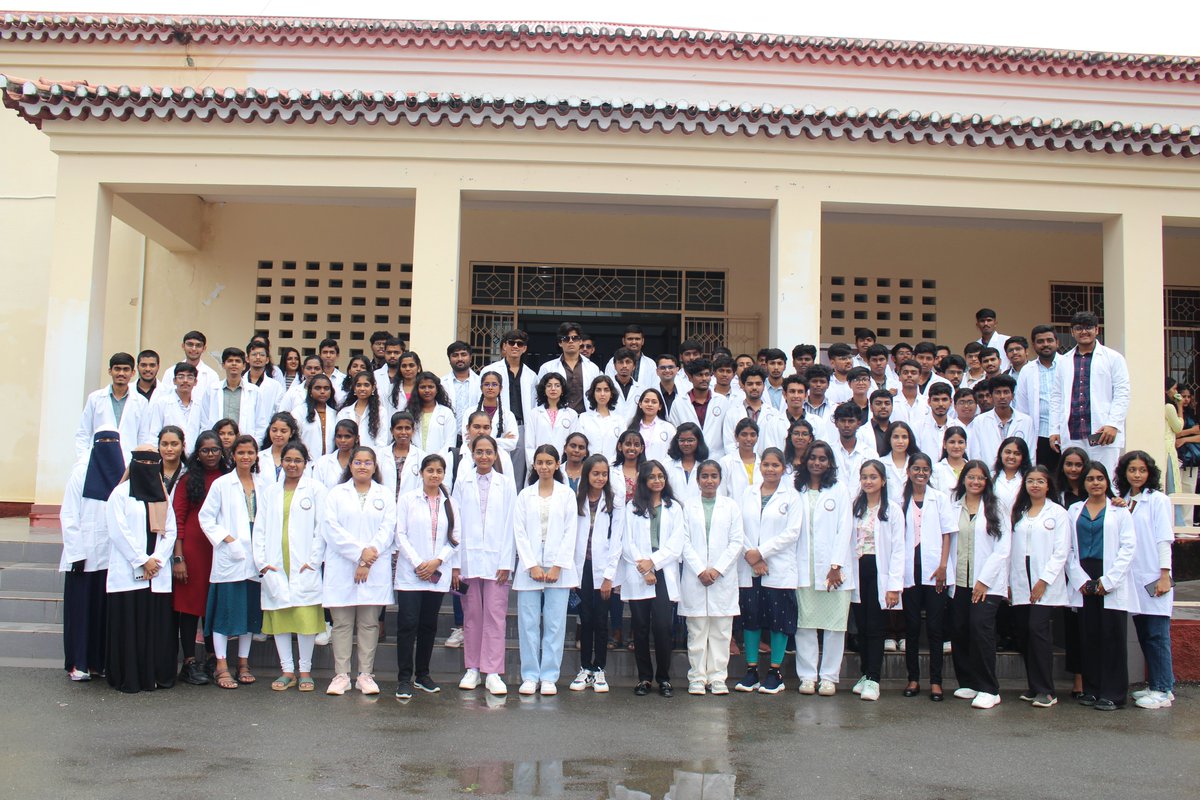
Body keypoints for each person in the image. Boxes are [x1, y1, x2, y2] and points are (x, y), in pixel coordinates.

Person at [322, 446, 396, 696]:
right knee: (341, 623)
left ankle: (365, 674)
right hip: (343, 566)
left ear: (375, 467)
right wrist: (358, 554)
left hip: (373, 568)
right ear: (350, 466)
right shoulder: (336, 494)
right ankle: (341, 675)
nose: (363, 466)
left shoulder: (384, 494)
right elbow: (331, 529)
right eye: (358, 462)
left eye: (368, 462)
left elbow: (387, 530)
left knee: (368, 623)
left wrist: (366, 560)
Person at [104, 447, 178, 693]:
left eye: (151, 461)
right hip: (129, 573)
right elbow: (118, 531)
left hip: (156, 574)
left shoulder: (163, 495)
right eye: (142, 461)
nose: (147, 465)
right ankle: (130, 677)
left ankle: (156, 676)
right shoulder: (120, 494)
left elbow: (171, 531)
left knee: (156, 628)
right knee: (130, 626)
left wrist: (156, 559)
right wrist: (140, 560)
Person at [253, 441, 326, 693]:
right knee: (281, 617)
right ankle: (287, 670)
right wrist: (262, 563)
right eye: (288, 460)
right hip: (275, 563)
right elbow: (260, 529)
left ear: (306, 463)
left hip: (304, 564)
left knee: (305, 617)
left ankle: (305, 670)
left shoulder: (316, 490)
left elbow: (321, 528)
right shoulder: (270, 492)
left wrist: (314, 560)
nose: (292, 465)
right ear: (281, 462)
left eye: (298, 460)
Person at [1065, 462, 1137, 710]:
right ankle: (1093, 689)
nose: (1095, 483)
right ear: (1083, 483)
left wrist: (1108, 581)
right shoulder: (1074, 510)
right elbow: (1069, 549)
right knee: (1089, 635)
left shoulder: (1120, 511)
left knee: (1112, 637)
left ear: (1107, 482)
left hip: (1110, 577)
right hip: (1084, 577)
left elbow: (1128, 548)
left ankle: (1113, 694)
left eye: (1100, 478)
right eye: (1090, 479)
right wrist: (1080, 580)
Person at [198, 435, 267, 689]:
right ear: (233, 456)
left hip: (255, 556)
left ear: (256, 455)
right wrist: (228, 539)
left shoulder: (263, 483)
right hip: (231, 555)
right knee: (225, 615)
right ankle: (221, 665)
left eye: (250, 453)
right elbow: (206, 518)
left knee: (249, 614)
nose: (246, 457)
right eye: (241, 453)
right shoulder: (221, 484)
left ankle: (243, 663)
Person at [453, 435, 517, 697]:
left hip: (496, 561)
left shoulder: (506, 484)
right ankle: (472, 668)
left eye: (488, 452)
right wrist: (456, 564)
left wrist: (506, 562)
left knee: (494, 615)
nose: (484, 457)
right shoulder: (462, 482)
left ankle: (492, 672)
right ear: (471, 453)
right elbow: (454, 523)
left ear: (495, 455)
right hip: (467, 560)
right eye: (479, 452)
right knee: (472, 615)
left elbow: (511, 524)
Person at [734, 448, 801, 695]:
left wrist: (760, 552)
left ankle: (775, 672)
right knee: (751, 619)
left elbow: (792, 532)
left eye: (776, 465)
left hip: (778, 567)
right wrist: (751, 556)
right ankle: (751, 670)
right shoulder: (747, 493)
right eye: (766, 465)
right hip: (750, 565)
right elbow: (737, 526)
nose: (770, 469)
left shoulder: (792, 497)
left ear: (783, 468)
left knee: (778, 620)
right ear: (760, 467)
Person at [393, 454, 460, 699]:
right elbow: (400, 534)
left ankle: (423, 675)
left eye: (439, 471)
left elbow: (455, 537)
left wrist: (437, 561)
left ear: (444, 474)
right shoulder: (408, 499)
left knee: (428, 626)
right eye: (430, 470)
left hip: (436, 573)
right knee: (407, 625)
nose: (434, 474)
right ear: (421, 473)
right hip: (412, 573)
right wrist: (419, 563)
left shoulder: (450, 502)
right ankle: (403, 679)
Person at [513, 445, 579, 695]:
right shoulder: (524, 495)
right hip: (530, 568)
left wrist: (557, 565)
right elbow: (518, 532)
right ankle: (530, 675)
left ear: (557, 465)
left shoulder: (566, 495)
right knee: (528, 624)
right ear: (534, 466)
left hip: (557, 570)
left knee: (554, 624)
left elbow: (570, 531)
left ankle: (550, 676)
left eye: (549, 462)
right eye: (539, 462)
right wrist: (531, 564)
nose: (544, 467)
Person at [60, 430, 123, 681]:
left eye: (113, 442)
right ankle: (79, 663)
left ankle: (99, 662)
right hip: (83, 558)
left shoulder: (122, 476)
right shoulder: (80, 474)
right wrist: (76, 552)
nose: (108, 447)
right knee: (81, 612)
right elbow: (69, 515)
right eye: (103, 442)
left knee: (104, 613)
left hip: (111, 557)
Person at [1114, 452, 1176, 709]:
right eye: (1132, 470)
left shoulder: (1158, 500)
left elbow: (1164, 539)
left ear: (1149, 473)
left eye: (1141, 470)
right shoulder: (1124, 501)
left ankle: (1163, 689)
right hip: (1134, 579)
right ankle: (1157, 685)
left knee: (1157, 635)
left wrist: (1165, 574)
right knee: (1144, 634)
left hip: (1153, 576)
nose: (1137, 475)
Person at [948, 461, 1011, 709]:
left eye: (981, 478)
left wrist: (984, 581)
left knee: (980, 629)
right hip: (960, 581)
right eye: (971, 477)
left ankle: (989, 688)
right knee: (960, 628)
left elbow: (1003, 548)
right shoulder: (954, 506)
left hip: (987, 583)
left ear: (987, 481)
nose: (976, 482)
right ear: (963, 479)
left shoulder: (997, 508)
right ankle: (970, 682)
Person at [793, 441, 854, 696]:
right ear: (805, 460)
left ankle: (829, 676)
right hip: (803, 566)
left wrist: (835, 565)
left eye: (822, 459)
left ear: (830, 463)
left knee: (834, 625)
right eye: (813, 458)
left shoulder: (839, 489)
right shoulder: (796, 488)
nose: (817, 462)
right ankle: (807, 676)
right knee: (804, 624)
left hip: (834, 570)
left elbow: (845, 528)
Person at [1009, 465, 1071, 708]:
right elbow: (1012, 550)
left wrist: (1044, 580)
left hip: (1044, 584)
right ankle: (1034, 685)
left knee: (1038, 632)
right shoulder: (1020, 512)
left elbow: (1061, 551)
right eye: (1031, 481)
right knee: (1025, 633)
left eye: (1040, 481)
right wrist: (1009, 583)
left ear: (1048, 486)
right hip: (1021, 582)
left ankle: (1047, 690)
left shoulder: (1058, 513)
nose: (1035, 485)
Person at [680, 460, 744, 695]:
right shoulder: (687, 507)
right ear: (697, 480)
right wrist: (699, 569)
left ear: (720, 479)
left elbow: (737, 541)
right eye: (704, 476)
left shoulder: (731, 507)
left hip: (721, 578)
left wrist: (717, 569)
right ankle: (697, 677)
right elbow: (683, 541)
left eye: (714, 476)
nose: (709, 480)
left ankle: (717, 677)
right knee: (696, 630)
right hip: (695, 577)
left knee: (721, 631)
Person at [622, 460, 684, 697]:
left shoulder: (674, 507)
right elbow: (627, 542)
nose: (657, 480)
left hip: (663, 570)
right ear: (643, 481)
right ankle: (644, 678)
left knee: (663, 626)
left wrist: (654, 563)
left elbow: (676, 544)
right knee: (640, 627)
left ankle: (664, 678)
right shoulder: (632, 507)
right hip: (639, 570)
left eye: (661, 476)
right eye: (652, 477)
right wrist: (644, 567)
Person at [170, 431, 226, 685]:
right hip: (193, 549)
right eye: (205, 450)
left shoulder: (227, 477)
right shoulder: (187, 479)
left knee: (213, 606)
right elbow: (178, 518)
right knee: (190, 607)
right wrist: (178, 557)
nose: (211, 454)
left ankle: (215, 658)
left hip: (219, 549)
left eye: (215, 449)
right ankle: (190, 662)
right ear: (197, 452)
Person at [900, 454, 956, 701]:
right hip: (909, 571)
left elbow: (947, 534)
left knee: (935, 628)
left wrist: (943, 565)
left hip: (935, 571)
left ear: (930, 472)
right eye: (916, 468)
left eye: (925, 469)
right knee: (911, 628)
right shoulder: (900, 500)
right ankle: (913, 678)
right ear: (909, 471)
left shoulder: (940, 499)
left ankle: (936, 681)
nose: (920, 473)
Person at [848, 460, 905, 702]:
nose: (868, 481)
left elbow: (899, 550)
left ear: (883, 481)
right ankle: (864, 674)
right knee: (861, 623)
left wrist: (894, 586)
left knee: (876, 626)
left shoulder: (892, 510)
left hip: (879, 571)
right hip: (857, 569)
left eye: (873, 477)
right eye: (864, 477)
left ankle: (874, 678)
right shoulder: (855, 507)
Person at [570, 454, 625, 693]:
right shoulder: (575, 500)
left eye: (604, 474)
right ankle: (585, 669)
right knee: (586, 619)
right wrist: (571, 573)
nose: (600, 478)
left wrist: (609, 577)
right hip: (581, 567)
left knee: (601, 622)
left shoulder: (615, 503)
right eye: (596, 473)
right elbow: (570, 537)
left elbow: (617, 541)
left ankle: (599, 668)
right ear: (587, 475)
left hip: (603, 569)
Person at [1050, 312, 1130, 474]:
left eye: (1088, 328)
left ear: (1097, 330)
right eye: (1079, 328)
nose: (1084, 332)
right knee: (1074, 481)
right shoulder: (1063, 361)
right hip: (1073, 432)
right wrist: (1054, 430)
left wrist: (1113, 424)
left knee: (1104, 478)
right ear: (1072, 332)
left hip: (1102, 432)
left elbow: (1122, 392)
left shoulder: (1113, 358)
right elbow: (1057, 397)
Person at [482, 329, 538, 483]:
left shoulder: (531, 375)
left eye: (519, 344)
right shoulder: (490, 371)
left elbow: (534, 404)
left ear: (524, 348)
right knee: (494, 470)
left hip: (521, 428)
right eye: (511, 343)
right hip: (496, 425)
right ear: (504, 347)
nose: (515, 346)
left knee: (518, 474)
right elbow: (481, 402)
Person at [76, 352, 148, 464]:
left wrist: (138, 463)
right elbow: (83, 433)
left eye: (126, 369)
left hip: (128, 462)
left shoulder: (141, 402)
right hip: (98, 460)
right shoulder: (95, 398)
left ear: (133, 373)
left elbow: (143, 436)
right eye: (117, 369)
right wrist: (84, 460)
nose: (121, 373)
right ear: (110, 371)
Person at [670, 358, 731, 460]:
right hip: (689, 459)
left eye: (707, 374)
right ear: (690, 377)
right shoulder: (679, 403)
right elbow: (675, 432)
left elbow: (728, 432)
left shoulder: (722, 401)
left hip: (717, 458)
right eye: (699, 375)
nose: (704, 378)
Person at [201, 347, 265, 443]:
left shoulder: (254, 391)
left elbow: (260, 424)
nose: (234, 364)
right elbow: (204, 420)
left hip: (244, 445)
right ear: (223, 365)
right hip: (217, 443)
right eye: (230, 361)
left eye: (238, 361)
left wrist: (255, 444)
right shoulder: (212, 390)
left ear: (244, 366)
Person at [140, 362, 203, 455]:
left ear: (195, 382)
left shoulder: (200, 404)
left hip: (194, 458)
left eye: (190, 377)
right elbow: (154, 434)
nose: (185, 381)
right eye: (181, 377)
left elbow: (203, 431)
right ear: (174, 381)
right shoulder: (162, 403)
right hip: (168, 456)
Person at [538, 322, 601, 414]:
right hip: (558, 418)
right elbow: (540, 396)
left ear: (580, 341)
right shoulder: (547, 368)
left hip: (585, 419)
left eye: (575, 338)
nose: (571, 341)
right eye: (566, 338)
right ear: (560, 343)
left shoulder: (593, 368)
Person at [526, 373, 579, 470]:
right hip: (540, 466)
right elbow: (529, 444)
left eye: (557, 385)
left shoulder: (572, 414)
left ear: (562, 390)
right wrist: (535, 465)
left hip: (562, 465)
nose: (553, 389)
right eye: (549, 386)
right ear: (544, 390)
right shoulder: (534, 413)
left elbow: (573, 443)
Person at [469, 370, 520, 457]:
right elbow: (468, 441)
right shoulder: (470, 412)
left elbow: (512, 443)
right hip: (475, 459)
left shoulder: (508, 415)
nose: (490, 387)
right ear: (481, 388)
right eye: (486, 384)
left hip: (501, 459)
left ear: (501, 388)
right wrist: (501, 440)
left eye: (494, 384)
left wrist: (481, 440)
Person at [576, 375, 625, 464]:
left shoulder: (620, 420)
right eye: (598, 390)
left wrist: (611, 463)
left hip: (613, 466)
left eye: (606, 390)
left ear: (611, 394)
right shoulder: (584, 418)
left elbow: (622, 447)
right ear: (593, 393)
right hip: (588, 466)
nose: (602, 394)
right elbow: (580, 446)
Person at [379, 411, 426, 501]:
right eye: (399, 428)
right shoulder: (380, 455)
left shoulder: (421, 456)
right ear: (392, 431)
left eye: (407, 428)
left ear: (413, 430)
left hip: (411, 506)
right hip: (385, 504)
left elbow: (422, 486)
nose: (403, 432)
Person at [337, 370, 389, 449]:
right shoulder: (344, 413)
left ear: (373, 388)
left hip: (372, 457)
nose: (362, 388)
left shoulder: (381, 412)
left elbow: (382, 442)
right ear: (354, 388)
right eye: (358, 385)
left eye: (366, 385)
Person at [441, 341, 482, 441]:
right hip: (447, 436)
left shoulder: (480, 382)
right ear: (449, 360)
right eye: (455, 355)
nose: (460, 359)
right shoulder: (441, 383)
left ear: (470, 358)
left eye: (463, 355)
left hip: (474, 438)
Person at [160, 330, 219, 396]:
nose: (194, 349)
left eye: (198, 345)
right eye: (190, 344)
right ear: (183, 346)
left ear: (204, 348)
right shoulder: (170, 372)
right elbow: (164, 398)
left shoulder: (212, 375)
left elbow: (213, 402)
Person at [831, 401, 876, 486]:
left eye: (851, 421)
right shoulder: (828, 451)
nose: (846, 425)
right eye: (843, 421)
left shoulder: (870, 454)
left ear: (859, 423)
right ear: (836, 423)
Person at [626, 388, 676, 463]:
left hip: (661, 470)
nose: (650, 404)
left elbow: (673, 452)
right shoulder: (630, 425)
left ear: (660, 406)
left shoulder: (669, 428)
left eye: (654, 402)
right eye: (646, 401)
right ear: (640, 404)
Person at [293, 373, 337, 458]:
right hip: (306, 462)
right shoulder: (300, 412)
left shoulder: (335, 414)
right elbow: (294, 438)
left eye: (326, 388)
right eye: (318, 388)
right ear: (310, 392)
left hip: (328, 464)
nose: (322, 391)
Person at [718, 418, 762, 501]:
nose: (748, 439)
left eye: (753, 435)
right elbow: (721, 494)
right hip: (733, 512)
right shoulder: (726, 462)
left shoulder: (763, 462)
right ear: (736, 437)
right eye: (744, 434)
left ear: (757, 437)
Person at [603, 324, 657, 390]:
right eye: (630, 339)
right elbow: (608, 386)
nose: (634, 342)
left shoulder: (651, 364)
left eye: (637, 339)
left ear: (642, 341)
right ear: (623, 341)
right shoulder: (613, 362)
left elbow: (655, 388)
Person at [665, 423, 707, 505]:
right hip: (673, 513)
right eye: (682, 440)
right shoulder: (667, 465)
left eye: (690, 440)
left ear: (698, 441)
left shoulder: (706, 466)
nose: (686, 444)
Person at [312, 420, 360, 489]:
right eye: (339, 436)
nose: (342, 440)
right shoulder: (322, 462)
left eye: (347, 436)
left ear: (357, 439)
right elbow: (316, 489)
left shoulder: (362, 462)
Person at [245, 341, 285, 418]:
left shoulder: (276, 386)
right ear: (247, 359)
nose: (258, 357)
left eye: (262, 355)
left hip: (266, 428)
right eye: (254, 354)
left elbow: (279, 411)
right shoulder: (240, 382)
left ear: (267, 360)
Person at [992, 436, 1032, 514]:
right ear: (1001, 453)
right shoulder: (991, 477)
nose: (1011, 457)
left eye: (1017, 454)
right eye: (1008, 452)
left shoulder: (1029, 479)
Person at [258, 411, 300, 482]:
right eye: (274, 430)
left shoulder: (300, 458)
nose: (278, 434)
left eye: (283, 431)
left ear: (291, 433)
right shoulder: (259, 457)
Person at [157, 426, 186, 497]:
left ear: (183, 446)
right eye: (164, 444)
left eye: (174, 444)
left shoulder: (188, 473)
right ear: (158, 446)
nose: (169, 449)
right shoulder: (151, 471)